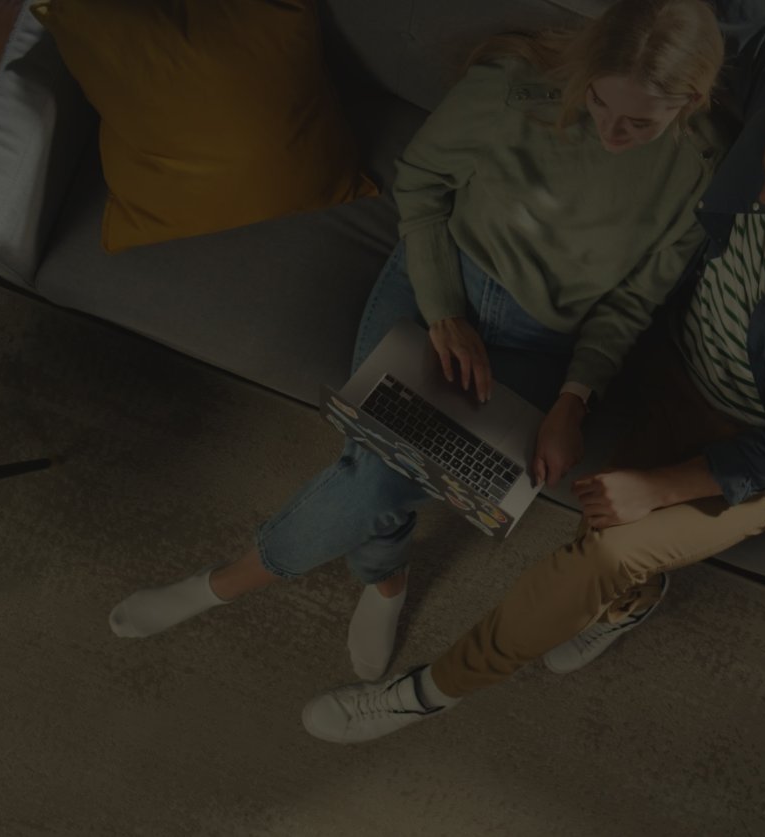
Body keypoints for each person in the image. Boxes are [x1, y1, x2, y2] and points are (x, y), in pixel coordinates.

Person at [297, 0, 765, 744]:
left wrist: (657, 488)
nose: (761, 201)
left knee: (603, 553)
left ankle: (424, 695)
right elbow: (754, 18)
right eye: (764, 178)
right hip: (677, 369)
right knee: (434, 447)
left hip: (763, 446)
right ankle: (630, 599)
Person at [106, 0, 729, 684]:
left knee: (379, 473)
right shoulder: (518, 89)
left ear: (691, 100)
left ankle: (333, 581)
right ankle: (311, 584)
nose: (611, 130)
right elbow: (424, 183)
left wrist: (573, 401)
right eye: (600, 101)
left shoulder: (698, 176)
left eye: (639, 123)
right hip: (438, 284)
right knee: (378, 467)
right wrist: (443, 313)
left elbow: (630, 304)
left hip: (541, 344)